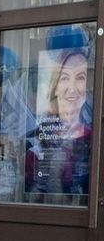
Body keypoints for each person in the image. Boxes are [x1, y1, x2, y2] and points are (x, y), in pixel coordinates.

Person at [26, 45, 90, 202]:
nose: (72, 88)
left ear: (86, 87)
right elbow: (29, 198)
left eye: (80, 78)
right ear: (55, 87)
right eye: (65, 78)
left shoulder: (95, 139)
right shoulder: (36, 139)